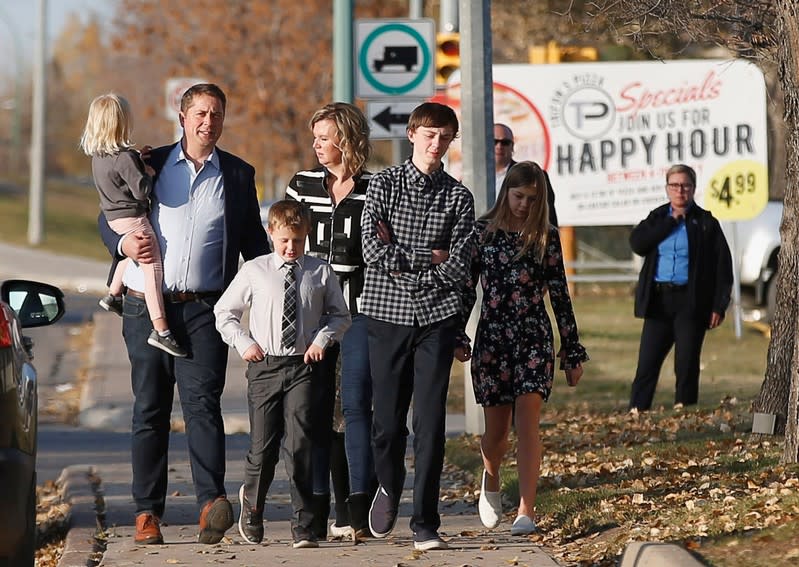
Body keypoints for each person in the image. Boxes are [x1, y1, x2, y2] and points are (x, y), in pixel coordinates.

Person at [98, 83, 270, 545]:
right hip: (144, 308)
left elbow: (254, 245)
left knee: (202, 406)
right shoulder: (148, 164)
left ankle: (210, 505)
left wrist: (274, 294)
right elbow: (109, 210)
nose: (207, 122)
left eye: (215, 114)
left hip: (205, 309)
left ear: (222, 120)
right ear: (182, 116)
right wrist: (120, 243)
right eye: (199, 113)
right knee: (150, 409)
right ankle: (146, 513)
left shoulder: (237, 174)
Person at [360, 102, 475, 551]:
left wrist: (409, 257)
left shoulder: (458, 197)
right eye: (429, 134)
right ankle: (388, 485)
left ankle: (426, 521)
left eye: (445, 137)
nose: (437, 143)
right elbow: (373, 250)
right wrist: (431, 255)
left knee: (430, 423)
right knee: (386, 424)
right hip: (386, 315)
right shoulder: (384, 184)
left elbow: (460, 267)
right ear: (412, 134)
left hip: (436, 320)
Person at [457, 161, 588, 536]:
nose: (524, 205)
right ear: (506, 193)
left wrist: (572, 349)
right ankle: (492, 475)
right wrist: (458, 335)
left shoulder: (545, 236)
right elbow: (468, 289)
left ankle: (526, 510)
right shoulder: (482, 231)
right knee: (496, 433)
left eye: (532, 199)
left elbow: (560, 295)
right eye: (518, 196)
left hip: (533, 336)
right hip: (493, 338)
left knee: (528, 423)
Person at [214, 200, 351, 548]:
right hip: (265, 366)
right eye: (285, 241)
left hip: (304, 366)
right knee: (263, 447)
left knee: (300, 445)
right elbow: (225, 312)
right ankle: (253, 508)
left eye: (299, 242)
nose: (291, 249)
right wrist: (243, 342)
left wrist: (322, 340)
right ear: (272, 233)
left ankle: (303, 525)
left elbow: (340, 315)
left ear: (307, 237)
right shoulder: (255, 271)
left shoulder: (320, 272)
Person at [285, 102, 376, 540]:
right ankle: (319, 513)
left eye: (325, 137)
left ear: (347, 139)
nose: (317, 145)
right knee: (316, 413)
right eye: (315, 138)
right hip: (310, 316)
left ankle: (359, 507)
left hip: (360, 313)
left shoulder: (376, 189)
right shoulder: (302, 186)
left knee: (356, 408)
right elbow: (286, 239)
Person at [81, 93, 186, 358]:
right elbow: (141, 191)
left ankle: (113, 294)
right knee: (152, 267)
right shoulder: (124, 157)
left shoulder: (99, 157)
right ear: (122, 122)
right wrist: (148, 173)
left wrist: (138, 160)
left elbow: (119, 179)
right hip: (133, 216)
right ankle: (161, 329)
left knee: (129, 252)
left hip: (115, 218)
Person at [629, 164, 733, 411]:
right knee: (647, 363)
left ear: (693, 189)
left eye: (685, 185)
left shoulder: (706, 222)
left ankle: (684, 410)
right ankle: (637, 411)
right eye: (674, 185)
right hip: (659, 300)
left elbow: (723, 268)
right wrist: (670, 223)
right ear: (667, 189)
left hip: (690, 301)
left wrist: (719, 305)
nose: (680, 190)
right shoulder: (657, 217)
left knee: (686, 363)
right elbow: (638, 243)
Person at [494, 123, 559, 227]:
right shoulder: (469, 179)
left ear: (512, 147)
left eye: (505, 142)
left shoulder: (534, 176)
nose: (499, 146)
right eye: (494, 142)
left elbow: (548, 217)